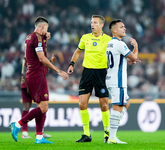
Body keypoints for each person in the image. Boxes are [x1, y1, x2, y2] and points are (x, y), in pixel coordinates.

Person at [10, 16, 68, 144]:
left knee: (42, 106)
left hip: (33, 74)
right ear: (42, 27)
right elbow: (41, 58)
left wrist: (45, 41)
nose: (47, 30)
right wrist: (58, 71)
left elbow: (38, 56)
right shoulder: (37, 37)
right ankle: (18, 125)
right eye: (46, 27)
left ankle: (39, 137)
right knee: (44, 107)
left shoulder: (30, 37)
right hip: (37, 75)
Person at [68, 15, 111, 143]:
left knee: (104, 105)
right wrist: (72, 64)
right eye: (91, 22)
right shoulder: (85, 37)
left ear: (101, 25)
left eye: (95, 22)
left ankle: (107, 134)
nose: (92, 24)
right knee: (82, 104)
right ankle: (86, 134)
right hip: (86, 73)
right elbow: (77, 51)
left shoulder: (108, 40)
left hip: (101, 74)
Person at [106, 19, 140, 144]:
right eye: (121, 27)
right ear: (114, 30)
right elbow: (134, 56)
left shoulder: (110, 43)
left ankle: (111, 129)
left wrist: (129, 60)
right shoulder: (120, 44)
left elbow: (121, 59)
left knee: (126, 103)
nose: (124, 28)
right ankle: (112, 137)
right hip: (117, 80)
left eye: (124, 26)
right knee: (118, 106)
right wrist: (136, 46)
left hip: (112, 78)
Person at [20, 54, 54, 139]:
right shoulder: (30, 56)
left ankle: (38, 132)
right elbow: (25, 70)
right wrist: (27, 84)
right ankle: (26, 132)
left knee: (41, 107)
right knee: (35, 107)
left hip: (31, 82)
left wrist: (50, 61)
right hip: (30, 83)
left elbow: (39, 67)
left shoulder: (31, 56)